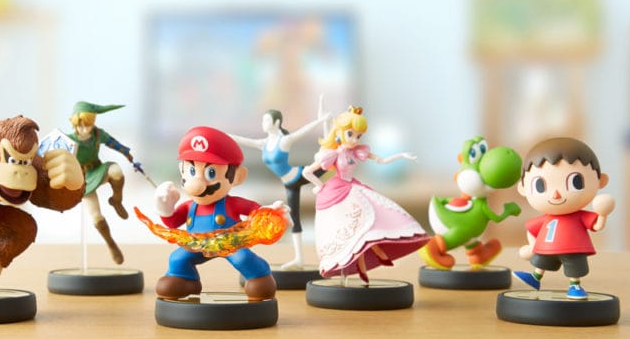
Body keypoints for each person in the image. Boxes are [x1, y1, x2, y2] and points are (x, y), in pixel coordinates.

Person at [153, 126, 282, 301]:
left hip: (230, 243)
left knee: (243, 259)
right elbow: (172, 223)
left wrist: (270, 212)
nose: (197, 184)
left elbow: (255, 211)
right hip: (197, 244)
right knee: (177, 258)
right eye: (192, 171)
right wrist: (165, 207)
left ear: (237, 177)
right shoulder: (189, 206)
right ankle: (185, 280)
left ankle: (259, 276)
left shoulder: (231, 204)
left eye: (210, 173)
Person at [302, 106, 430, 283]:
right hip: (336, 192)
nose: (354, 140)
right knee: (355, 231)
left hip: (352, 186)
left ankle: (374, 256)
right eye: (350, 134)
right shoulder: (332, 154)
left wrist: (401, 155)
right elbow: (307, 172)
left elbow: (381, 160)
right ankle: (364, 264)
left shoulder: (356, 151)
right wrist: (320, 186)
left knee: (372, 222)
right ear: (339, 132)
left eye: (358, 136)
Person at [513, 137, 614, 300]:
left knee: (574, 266)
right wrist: (533, 246)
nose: (556, 194)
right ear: (523, 188)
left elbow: (597, 226)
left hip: (574, 248)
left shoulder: (580, 216)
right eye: (540, 186)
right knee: (541, 261)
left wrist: (603, 213)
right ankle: (535, 278)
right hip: (547, 248)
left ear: (600, 181)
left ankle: (575, 286)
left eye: (576, 182)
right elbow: (531, 230)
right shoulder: (545, 219)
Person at [230, 108, 327, 269]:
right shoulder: (264, 143)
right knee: (294, 219)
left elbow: (302, 132)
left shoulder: (284, 141)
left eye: (267, 120)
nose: (263, 123)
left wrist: (320, 121)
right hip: (289, 184)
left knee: (326, 162)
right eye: (263, 120)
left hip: (299, 175)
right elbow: (243, 140)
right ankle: (299, 259)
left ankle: (335, 146)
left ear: (276, 123)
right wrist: (223, 135)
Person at [67, 101, 135, 264]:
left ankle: (116, 200)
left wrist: (126, 153)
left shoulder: (97, 135)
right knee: (96, 216)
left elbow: (114, 143)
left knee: (116, 171)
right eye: (80, 126)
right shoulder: (69, 140)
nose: (84, 130)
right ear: (75, 124)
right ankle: (111, 244)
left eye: (87, 125)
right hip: (82, 179)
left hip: (98, 169)